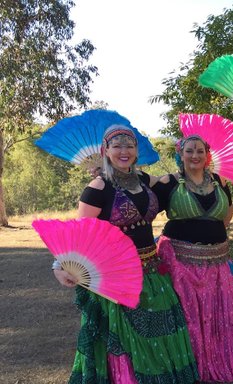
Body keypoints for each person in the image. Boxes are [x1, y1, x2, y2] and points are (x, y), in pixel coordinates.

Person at [52, 125, 198, 383]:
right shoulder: (98, 187)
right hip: (116, 276)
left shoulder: (143, 180)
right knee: (128, 336)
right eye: (117, 146)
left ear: (136, 151)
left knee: (161, 328)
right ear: (105, 151)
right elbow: (79, 234)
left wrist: (188, 156)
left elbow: (171, 182)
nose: (124, 151)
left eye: (129, 146)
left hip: (152, 269)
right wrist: (59, 265)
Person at [152, 134, 233, 382]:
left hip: (218, 263)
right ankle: (190, 366)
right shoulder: (168, 183)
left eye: (199, 151)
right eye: (189, 151)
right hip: (181, 264)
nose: (195, 156)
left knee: (221, 316)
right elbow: (141, 206)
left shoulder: (219, 181)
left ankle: (220, 361)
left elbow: (227, 216)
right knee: (189, 317)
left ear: (207, 155)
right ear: (180, 154)